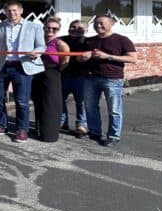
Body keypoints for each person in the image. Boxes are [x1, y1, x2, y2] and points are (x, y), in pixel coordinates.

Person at [0, 1, 46, 143]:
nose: (12, 13)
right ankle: (0, 125)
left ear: (21, 10)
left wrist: (36, 52)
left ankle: (22, 130)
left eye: (15, 10)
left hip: (22, 66)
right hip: (1, 67)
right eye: (9, 11)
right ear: (5, 12)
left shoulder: (34, 27)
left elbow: (42, 46)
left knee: (21, 101)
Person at [79, 15, 137, 147]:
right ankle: (94, 132)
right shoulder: (89, 41)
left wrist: (108, 56)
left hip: (112, 79)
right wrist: (83, 58)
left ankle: (113, 136)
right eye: (95, 23)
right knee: (90, 107)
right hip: (90, 78)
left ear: (111, 24)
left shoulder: (121, 40)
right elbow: (79, 59)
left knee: (114, 109)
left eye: (101, 23)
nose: (98, 26)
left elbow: (133, 58)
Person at [31, 17, 70, 142]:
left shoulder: (60, 44)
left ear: (58, 30)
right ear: (43, 28)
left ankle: (49, 134)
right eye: (48, 27)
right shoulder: (39, 41)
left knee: (50, 104)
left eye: (54, 28)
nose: (50, 30)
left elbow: (65, 62)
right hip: (37, 73)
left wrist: (55, 71)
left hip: (51, 74)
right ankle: (38, 128)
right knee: (38, 102)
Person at [59, 20, 89, 136]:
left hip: (81, 76)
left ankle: (82, 125)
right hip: (63, 75)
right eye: (73, 26)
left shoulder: (88, 42)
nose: (75, 29)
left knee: (80, 102)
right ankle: (62, 122)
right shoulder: (61, 40)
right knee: (60, 100)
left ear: (85, 30)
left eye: (80, 28)